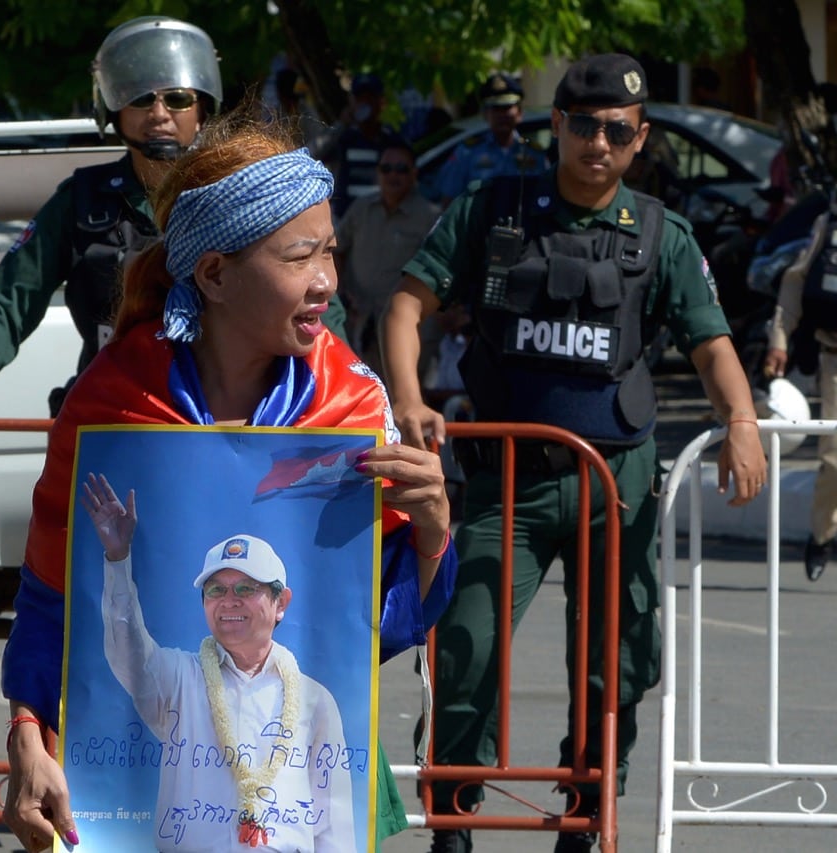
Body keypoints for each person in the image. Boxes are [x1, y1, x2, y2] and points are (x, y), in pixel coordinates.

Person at [0, 111, 457, 853]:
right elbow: (52, 598)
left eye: (330, 254)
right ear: (214, 273)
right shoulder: (113, 399)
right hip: (140, 811)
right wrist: (26, 733)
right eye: (300, 256)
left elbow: (381, 625)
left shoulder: (352, 401)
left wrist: (433, 529)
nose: (325, 283)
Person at [381, 54, 767, 853]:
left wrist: (741, 419)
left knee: (614, 661)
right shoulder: (495, 209)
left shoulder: (661, 233)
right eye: (583, 124)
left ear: (640, 138)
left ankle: (587, 821)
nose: (599, 141)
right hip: (503, 482)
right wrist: (409, 399)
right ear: (556, 126)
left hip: (613, 482)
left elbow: (712, 343)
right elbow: (407, 304)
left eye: (617, 129)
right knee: (467, 649)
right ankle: (454, 823)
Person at [0, 16, 346, 444]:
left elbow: (315, 303)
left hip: (239, 424)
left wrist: (356, 403)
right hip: (115, 417)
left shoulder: (243, 197)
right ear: (113, 109)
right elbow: (11, 300)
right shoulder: (81, 202)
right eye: (140, 98)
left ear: (202, 108)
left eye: (177, 99)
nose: (159, 114)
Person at [83, 475, 356, 850]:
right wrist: (118, 559)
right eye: (216, 590)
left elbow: (334, 822)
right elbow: (126, 651)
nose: (230, 601)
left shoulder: (314, 700)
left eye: (246, 589)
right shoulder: (178, 679)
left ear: (281, 603)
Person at [764, 212, 837, 580]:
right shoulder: (830, 222)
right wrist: (780, 338)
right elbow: (796, 281)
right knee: (836, 459)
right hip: (835, 358)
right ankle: (822, 535)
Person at [334, 140, 441, 371]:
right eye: (386, 168)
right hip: (358, 319)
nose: (393, 175)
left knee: (398, 396)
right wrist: (340, 293)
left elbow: (441, 272)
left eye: (402, 169)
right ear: (378, 173)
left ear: (414, 174)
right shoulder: (361, 208)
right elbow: (336, 250)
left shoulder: (429, 217)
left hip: (405, 327)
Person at [434, 72, 545, 207]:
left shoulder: (534, 154)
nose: (502, 115)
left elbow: (545, 198)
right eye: (496, 108)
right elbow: (449, 202)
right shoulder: (467, 153)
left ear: (520, 112)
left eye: (507, 107)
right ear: (485, 114)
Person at [313, 73, 406, 220]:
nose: (365, 103)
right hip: (344, 221)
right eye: (360, 99)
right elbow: (312, 154)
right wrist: (341, 125)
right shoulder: (343, 138)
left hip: (379, 222)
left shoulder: (391, 142)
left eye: (370, 98)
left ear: (381, 102)